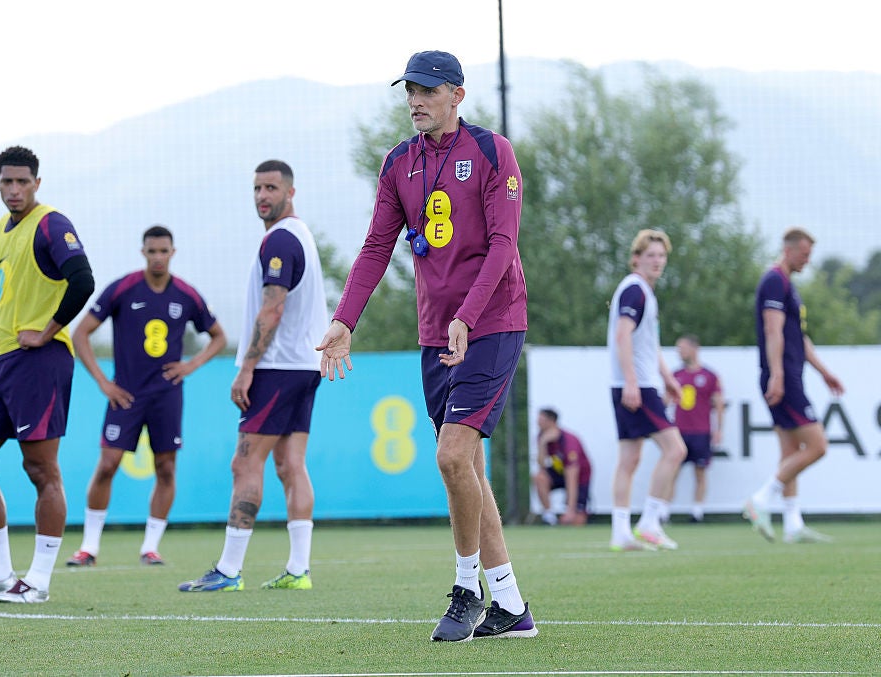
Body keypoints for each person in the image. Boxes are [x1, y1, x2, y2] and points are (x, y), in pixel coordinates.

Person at [317, 51, 536, 642]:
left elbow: (502, 243)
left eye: (428, 90)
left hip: (492, 324)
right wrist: (345, 321)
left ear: (457, 95)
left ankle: (468, 588)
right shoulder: (398, 163)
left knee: (449, 456)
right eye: (410, 89)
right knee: (466, 467)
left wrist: (468, 316)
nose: (416, 99)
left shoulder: (493, 152)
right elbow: (374, 248)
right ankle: (511, 606)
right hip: (434, 331)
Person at [0, 146, 95, 604]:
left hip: (41, 360)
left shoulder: (52, 223)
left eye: (23, 182)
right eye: (7, 182)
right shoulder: (0, 229)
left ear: (37, 183)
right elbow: (0, 287)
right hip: (3, 362)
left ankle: (38, 580)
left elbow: (83, 280)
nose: (15, 190)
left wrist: (50, 330)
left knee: (40, 469)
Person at [178, 160, 328, 592]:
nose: (263, 196)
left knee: (245, 462)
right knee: (291, 464)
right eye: (257, 188)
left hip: (277, 367)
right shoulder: (301, 235)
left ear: (290, 192)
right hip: (305, 365)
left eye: (271, 188)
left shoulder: (280, 239)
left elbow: (273, 308)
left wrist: (246, 368)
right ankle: (299, 570)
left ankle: (228, 570)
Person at [66, 225, 226, 567]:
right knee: (107, 464)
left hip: (166, 395)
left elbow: (218, 337)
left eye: (163, 251)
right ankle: (88, 547)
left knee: (166, 467)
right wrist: (102, 382)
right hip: (124, 395)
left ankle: (150, 547)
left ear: (173, 252)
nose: (157, 257)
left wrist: (191, 365)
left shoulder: (186, 295)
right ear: (143, 252)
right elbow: (80, 334)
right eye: (151, 251)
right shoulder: (123, 289)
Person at [743, 227, 843, 544]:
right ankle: (759, 500)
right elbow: (773, 331)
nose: (807, 260)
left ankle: (792, 523)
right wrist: (777, 375)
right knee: (818, 446)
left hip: (789, 374)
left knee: (790, 450)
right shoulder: (774, 280)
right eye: (804, 254)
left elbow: (798, 337)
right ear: (788, 250)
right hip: (783, 377)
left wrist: (824, 372)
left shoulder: (788, 285)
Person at [607, 229, 687, 552]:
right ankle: (650, 522)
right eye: (651, 255)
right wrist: (630, 380)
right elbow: (623, 336)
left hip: (637, 382)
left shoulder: (642, 292)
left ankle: (620, 532)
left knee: (629, 458)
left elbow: (647, 344)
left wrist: (668, 377)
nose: (657, 261)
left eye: (662, 256)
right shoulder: (635, 291)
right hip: (636, 385)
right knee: (676, 449)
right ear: (636, 258)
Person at [669, 334, 724, 523]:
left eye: (682, 348)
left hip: (701, 431)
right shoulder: (675, 376)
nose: (680, 352)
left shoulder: (709, 376)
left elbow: (719, 405)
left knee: (700, 472)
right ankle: (662, 512)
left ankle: (697, 512)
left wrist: (719, 429)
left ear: (694, 348)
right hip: (679, 432)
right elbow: (665, 400)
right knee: (671, 472)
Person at [533, 408, 592, 526]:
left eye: (541, 419)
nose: (538, 422)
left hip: (579, 476)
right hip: (559, 472)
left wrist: (570, 510)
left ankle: (574, 512)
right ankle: (549, 516)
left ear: (552, 421)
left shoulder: (568, 441)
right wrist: (543, 444)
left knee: (576, 521)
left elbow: (572, 477)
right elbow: (542, 466)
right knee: (540, 477)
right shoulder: (542, 436)